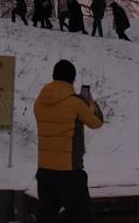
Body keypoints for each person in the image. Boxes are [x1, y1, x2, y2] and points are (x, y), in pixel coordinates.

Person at [34, 59, 104, 223]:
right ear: (72, 79)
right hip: (69, 171)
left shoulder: (39, 101)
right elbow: (97, 122)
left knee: (46, 217)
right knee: (84, 217)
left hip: (44, 171)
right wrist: (90, 102)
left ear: (53, 76)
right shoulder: (76, 102)